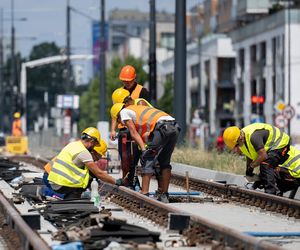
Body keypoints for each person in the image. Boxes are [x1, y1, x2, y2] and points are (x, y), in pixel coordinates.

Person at [110, 103, 180, 203]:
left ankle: (144, 194)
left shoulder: (124, 112)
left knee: (147, 159)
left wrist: (143, 150)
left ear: (118, 115)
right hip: (174, 126)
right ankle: (164, 195)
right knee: (164, 162)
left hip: (162, 127)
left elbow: (134, 133)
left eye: (118, 120)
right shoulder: (138, 108)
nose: (121, 123)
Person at [46, 127, 123, 199]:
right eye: (94, 145)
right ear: (92, 142)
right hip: (61, 184)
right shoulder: (84, 152)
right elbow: (99, 173)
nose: (93, 148)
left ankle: (70, 199)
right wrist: (116, 181)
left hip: (54, 181)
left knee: (89, 175)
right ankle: (71, 200)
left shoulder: (73, 144)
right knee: (88, 178)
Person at [223, 123, 290, 195]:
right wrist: (248, 169)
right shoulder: (242, 141)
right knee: (265, 166)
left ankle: (271, 193)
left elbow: (263, 156)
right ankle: (271, 188)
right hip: (271, 148)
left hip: (281, 143)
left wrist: (252, 166)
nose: (236, 149)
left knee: (266, 164)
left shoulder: (253, 137)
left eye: (236, 145)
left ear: (240, 138)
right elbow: (249, 155)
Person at [110, 86, 151, 188]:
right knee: (126, 157)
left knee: (140, 157)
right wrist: (113, 130)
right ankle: (128, 179)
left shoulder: (140, 103)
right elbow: (115, 116)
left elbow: (144, 121)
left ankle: (135, 181)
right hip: (131, 131)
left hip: (146, 132)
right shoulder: (125, 108)